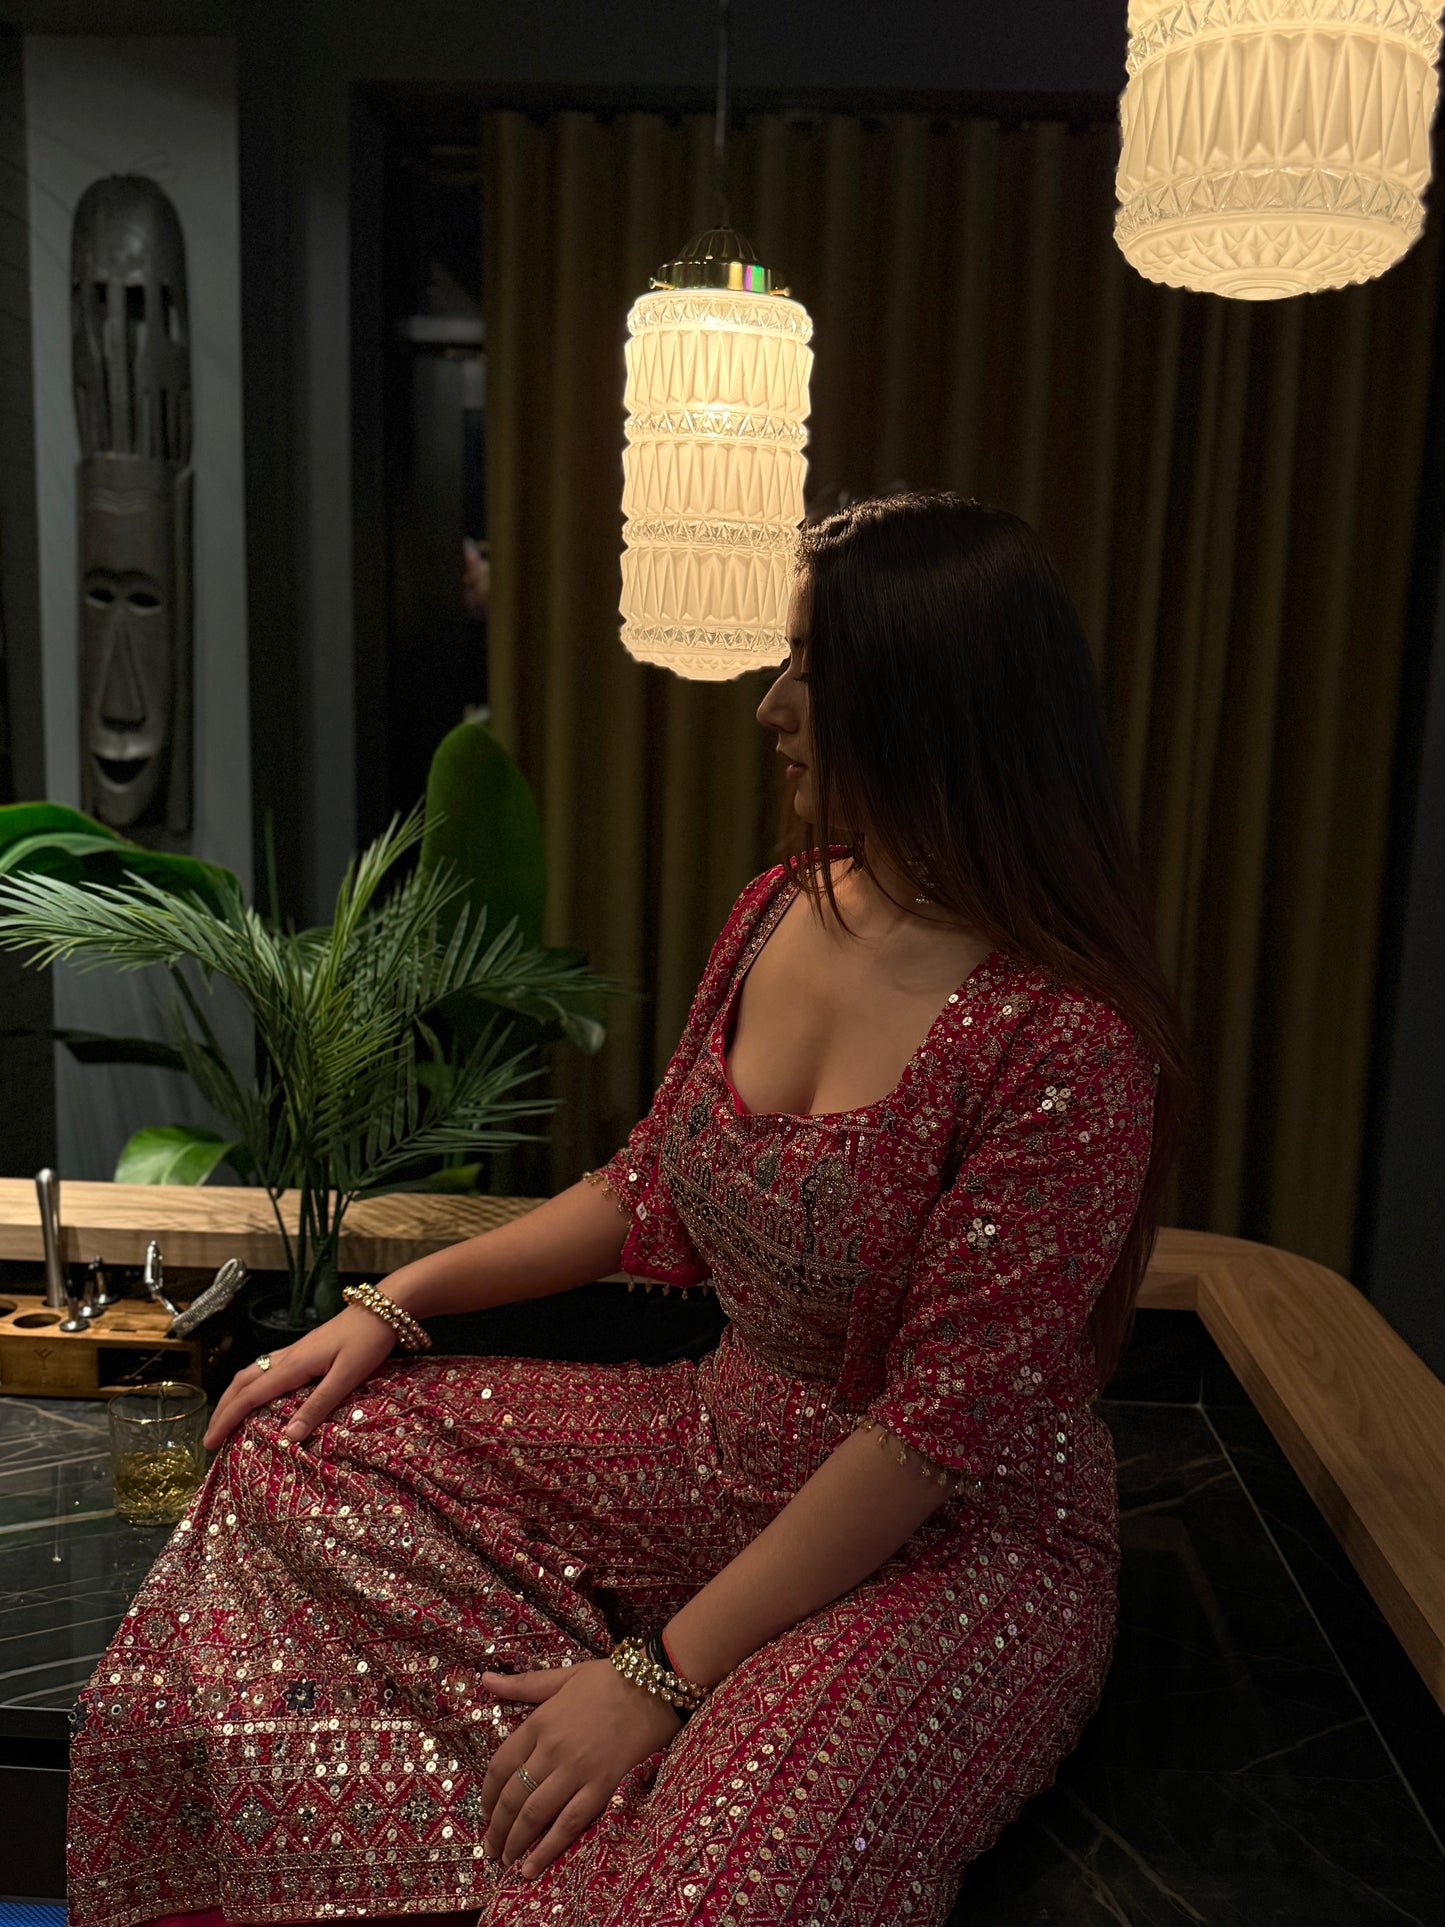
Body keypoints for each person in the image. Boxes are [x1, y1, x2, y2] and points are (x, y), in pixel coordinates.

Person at [66, 492, 1191, 1927]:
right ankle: (559, 1806)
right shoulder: (784, 904)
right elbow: (647, 1180)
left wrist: (657, 1672)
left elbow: (926, 1439)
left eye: (808, 672)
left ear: (928, 704)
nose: (771, 709)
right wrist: (388, 1307)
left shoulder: (1066, 1042)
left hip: (945, 1552)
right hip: (719, 1453)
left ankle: (650, 1799)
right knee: (304, 1449)